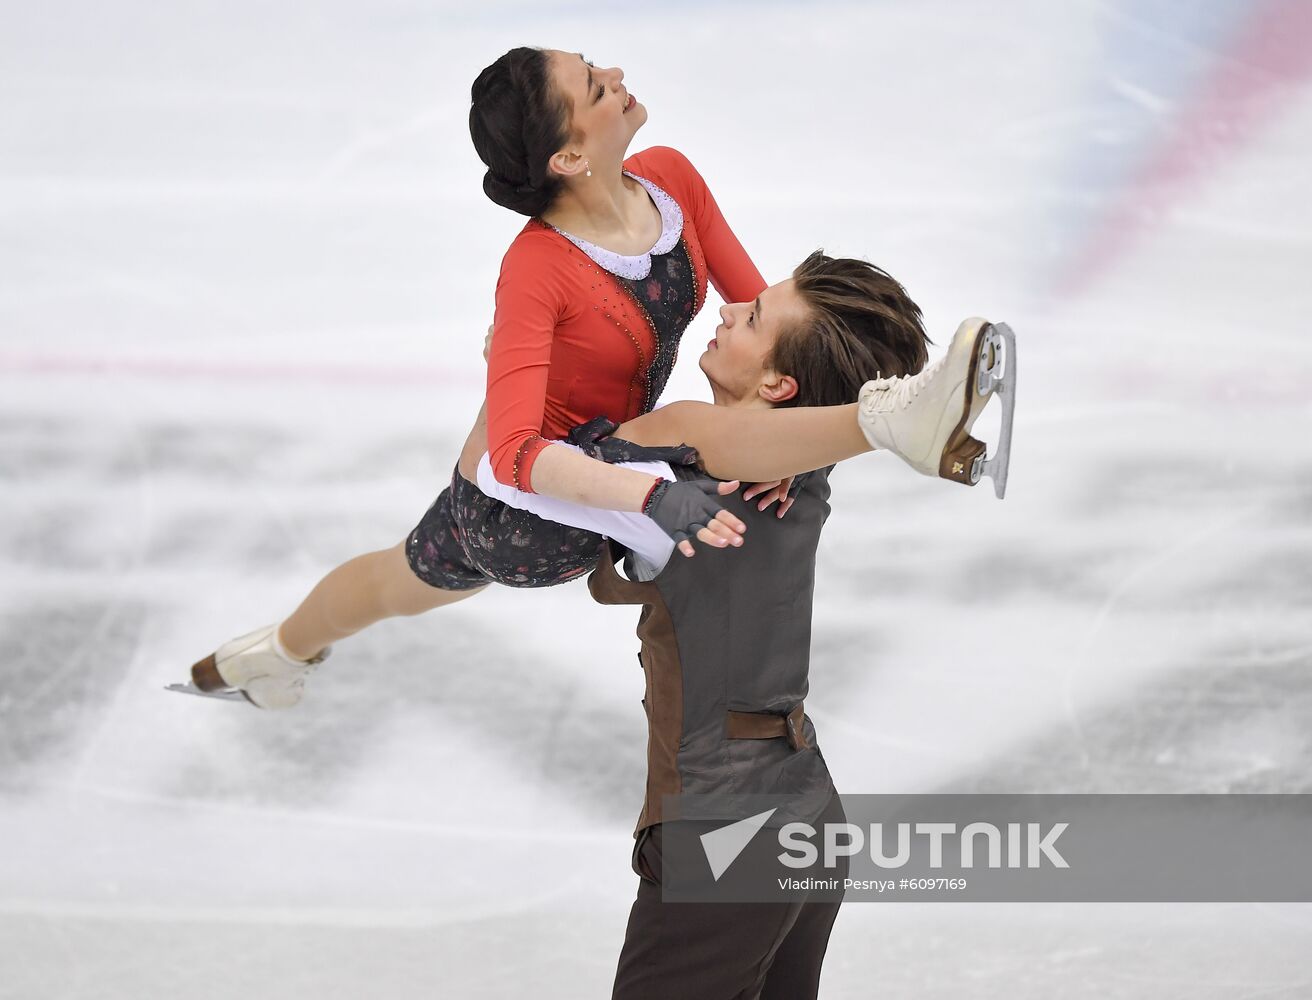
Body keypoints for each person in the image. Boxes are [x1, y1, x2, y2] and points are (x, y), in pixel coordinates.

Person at [177, 47, 1008, 708]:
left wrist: (790, 447)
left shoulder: (672, 182)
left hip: (619, 462)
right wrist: (657, 498)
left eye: (594, 64)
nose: (613, 74)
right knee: (680, 429)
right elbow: (511, 456)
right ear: (570, 153)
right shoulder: (539, 268)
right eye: (591, 85)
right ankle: (887, 422)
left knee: (395, 580)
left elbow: (767, 323)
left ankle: (273, 653)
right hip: (523, 512)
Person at [469, 255, 1011, 997]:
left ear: (780, 387)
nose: (726, 312)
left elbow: (500, 479)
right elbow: (769, 428)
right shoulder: (802, 466)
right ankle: (892, 414)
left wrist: (507, 366)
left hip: (724, 830)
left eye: (753, 317)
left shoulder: (671, 468)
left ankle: (891, 417)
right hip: (809, 811)